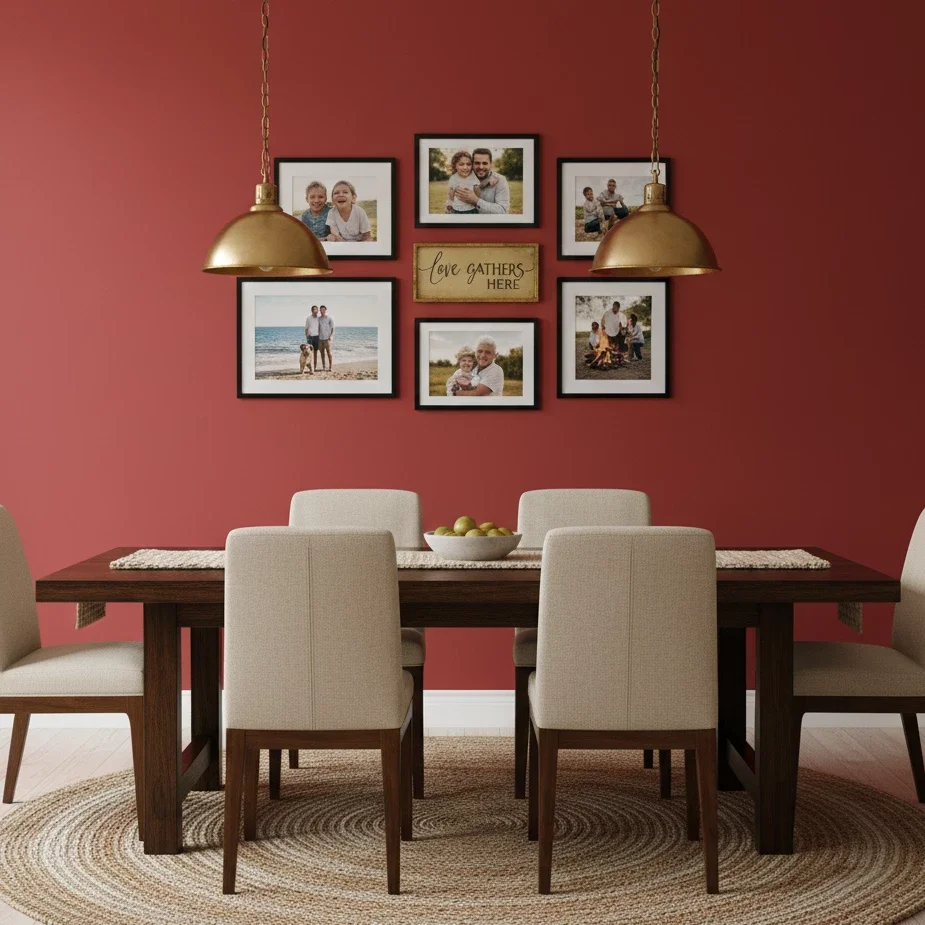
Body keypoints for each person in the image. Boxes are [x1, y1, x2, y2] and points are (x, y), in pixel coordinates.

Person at [452, 148, 510, 214]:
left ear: (490, 164)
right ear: (472, 164)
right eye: (477, 163)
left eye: (485, 163)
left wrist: (476, 201)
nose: (481, 167)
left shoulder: (500, 180)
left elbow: (503, 211)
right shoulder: (465, 177)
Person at [445, 150, 492, 214]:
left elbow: (478, 190)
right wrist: (449, 206)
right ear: (455, 166)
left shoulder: (472, 175)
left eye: (468, 164)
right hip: (457, 210)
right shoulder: (453, 178)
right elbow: (451, 196)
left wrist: (488, 182)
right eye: (461, 164)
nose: (465, 167)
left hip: (471, 209)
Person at [318, 304, 335, 371]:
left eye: (323, 310)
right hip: (320, 339)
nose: (322, 311)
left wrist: (331, 336)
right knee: (322, 354)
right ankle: (324, 367)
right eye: (321, 310)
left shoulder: (330, 318)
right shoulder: (318, 319)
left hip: (327, 339)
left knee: (329, 353)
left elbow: (333, 328)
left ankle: (330, 367)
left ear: (325, 310)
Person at [304, 305, 321, 370]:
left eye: (316, 309)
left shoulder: (319, 318)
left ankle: (315, 367)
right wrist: (307, 337)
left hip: (317, 337)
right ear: (312, 311)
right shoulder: (309, 318)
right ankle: (309, 366)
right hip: (310, 337)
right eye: (314, 309)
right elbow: (306, 328)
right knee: (309, 353)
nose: (315, 311)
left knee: (315, 353)